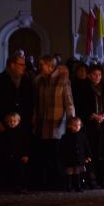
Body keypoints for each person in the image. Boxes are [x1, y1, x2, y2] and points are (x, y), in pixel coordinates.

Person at [34, 57, 76, 189]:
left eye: (42, 65)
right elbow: (37, 102)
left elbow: (69, 102)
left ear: (49, 66)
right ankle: (49, 182)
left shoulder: (63, 81)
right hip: (44, 123)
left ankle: (61, 182)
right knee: (46, 155)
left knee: (57, 154)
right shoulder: (41, 81)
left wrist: (72, 121)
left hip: (58, 124)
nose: (40, 68)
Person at [76, 65, 104, 188]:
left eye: (99, 74)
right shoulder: (84, 89)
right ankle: (91, 181)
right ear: (89, 75)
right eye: (94, 74)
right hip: (90, 125)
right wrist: (91, 115)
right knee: (91, 152)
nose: (97, 77)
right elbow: (80, 106)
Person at [0, 112, 30, 192]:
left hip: (19, 156)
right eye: (10, 121)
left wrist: (26, 155)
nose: (12, 123)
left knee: (20, 171)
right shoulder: (3, 133)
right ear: (6, 122)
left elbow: (26, 145)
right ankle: (2, 187)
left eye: (14, 121)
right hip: (6, 156)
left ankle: (21, 187)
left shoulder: (22, 133)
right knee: (4, 171)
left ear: (18, 121)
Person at [59, 117, 91, 192]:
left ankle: (78, 186)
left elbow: (86, 146)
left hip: (79, 158)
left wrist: (88, 156)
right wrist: (63, 157)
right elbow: (62, 148)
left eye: (79, 125)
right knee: (69, 173)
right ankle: (68, 187)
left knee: (77, 173)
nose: (77, 127)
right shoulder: (65, 136)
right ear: (70, 126)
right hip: (69, 158)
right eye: (75, 125)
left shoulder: (82, 135)